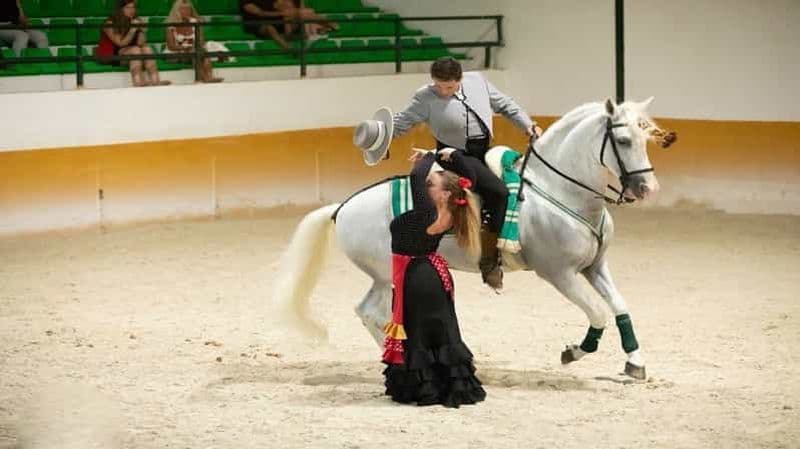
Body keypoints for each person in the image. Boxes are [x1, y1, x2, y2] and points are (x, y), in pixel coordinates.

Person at [393, 57, 542, 291]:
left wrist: (527, 125)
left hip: (484, 151)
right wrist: (378, 135)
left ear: (460, 79)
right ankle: (490, 260)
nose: (443, 91)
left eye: (449, 87)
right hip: (453, 155)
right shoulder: (424, 96)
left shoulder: (477, 81)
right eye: (439, 86)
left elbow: (505, 105)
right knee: (499, 192)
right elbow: (402, 122)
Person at [381, 148, 487, 408]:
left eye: (432, 185)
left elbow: (416, 178)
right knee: (441, 329)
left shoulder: (427, 212)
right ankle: (448, 383)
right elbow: (470, 176)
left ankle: (424, 387)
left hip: (417, 277)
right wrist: (452, 157)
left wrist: (429, 155)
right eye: (428, 184)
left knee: (418, 331)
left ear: (445, 194)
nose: (426, 187)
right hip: (433, 274)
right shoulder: (452, 212)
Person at [96, 0, 171, 87]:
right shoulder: (109, 23)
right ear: (120, 9)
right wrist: (132, 29)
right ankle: (137, 82)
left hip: (130, 53)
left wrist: (142, 31)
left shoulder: (135, 20)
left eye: (133, 7)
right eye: (128, 8)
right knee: (135, 50)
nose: (131, 10)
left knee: (147, 48)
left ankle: (156, 81)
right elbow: (120, 43)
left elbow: (140, 43)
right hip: (112, 55)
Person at [239, 0, 336, 51]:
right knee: (270, 28)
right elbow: (260, 13)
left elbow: (279, 5)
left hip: (276, 21)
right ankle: (289, 48)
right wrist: (282, 13)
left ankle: (327, 25)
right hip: (255, 24)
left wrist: (289, 11)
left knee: (303, 13)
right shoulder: (245, 1)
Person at [164, 0, 223, 83]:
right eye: (183, 9)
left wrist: (193, 47)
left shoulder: (195, 22)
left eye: (189, 9)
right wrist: (185, 48)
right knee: (196, 52)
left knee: (201, 52)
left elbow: (201, 41)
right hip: (175, 52)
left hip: (194, 50)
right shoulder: (170, 25)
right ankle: (202, 77)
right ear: (176, 11)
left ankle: (209, 76)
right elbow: (171, 46)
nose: (187, 12)